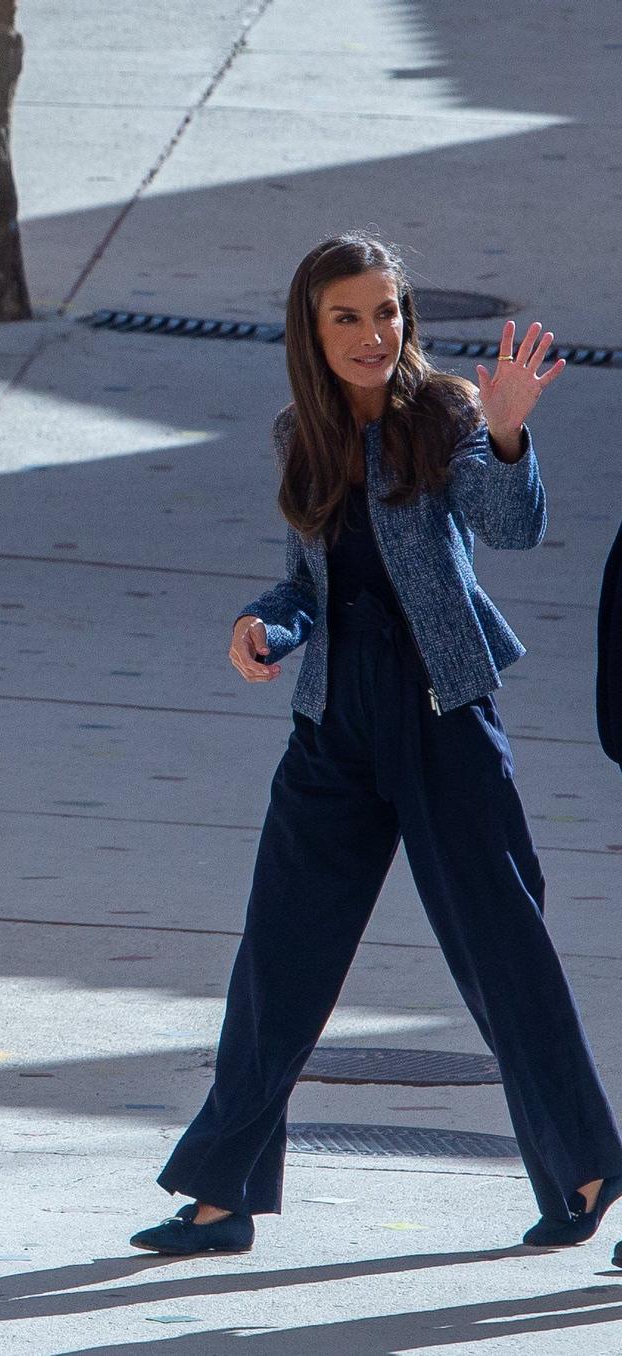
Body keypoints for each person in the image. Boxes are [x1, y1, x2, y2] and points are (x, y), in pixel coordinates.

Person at [130, 233, 622, 1260]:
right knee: (277, 955)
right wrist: (263, 624)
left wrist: (508, 434)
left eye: (385, 312)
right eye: (345, 316)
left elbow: (509, 526)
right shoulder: (297, 433)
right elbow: (307, 581)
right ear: (309, 330)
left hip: (442, 719)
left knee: (504, 955)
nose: (370, 335)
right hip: (333, 729)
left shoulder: (442, 414)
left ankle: (581, 1168)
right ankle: (219, 1193)